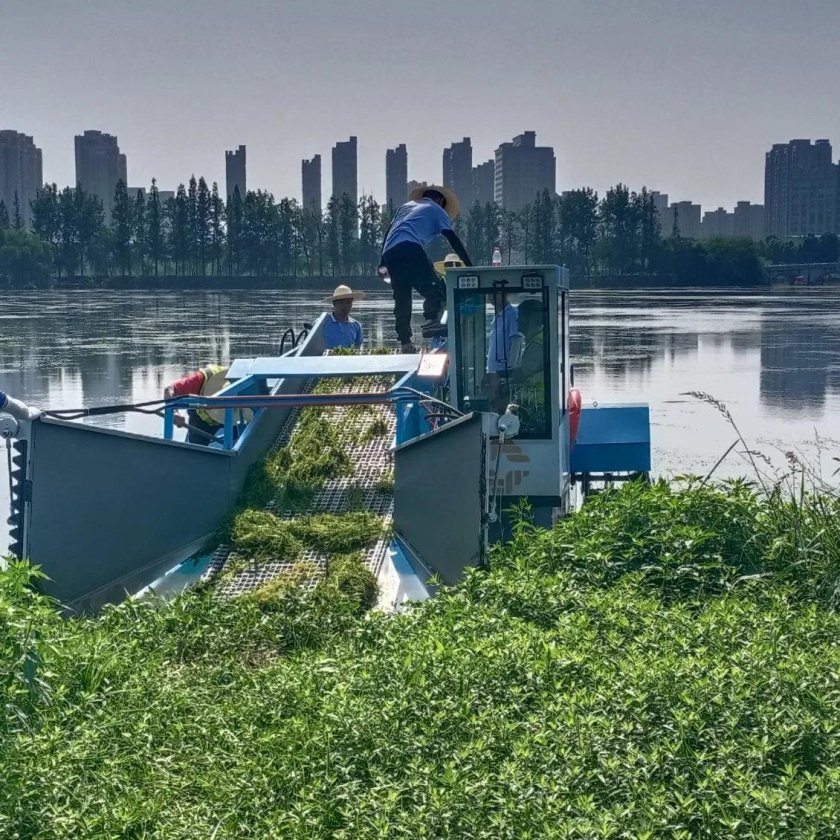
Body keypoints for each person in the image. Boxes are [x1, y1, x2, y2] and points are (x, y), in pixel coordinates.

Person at [379, 186, 472, 352]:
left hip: (390, 252)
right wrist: (470, 266)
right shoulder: (437, 210)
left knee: (402, 300)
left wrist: (382, 261)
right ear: (440, 201)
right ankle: (431, 321)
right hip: (410, 247)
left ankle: (405, 342)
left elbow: (389, 232)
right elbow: (452, 238)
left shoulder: (405, 207)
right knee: (434, 287)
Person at [164, 364, 230, 445]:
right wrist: (175, 413)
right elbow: (169, 390)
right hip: (201, 420)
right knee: (196, 449)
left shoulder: (239, 379)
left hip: (231, 416)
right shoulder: (199, 380)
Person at [322, 284, 365, 350]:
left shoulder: (356, 326)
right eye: (341, 302)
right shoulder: (322, 323)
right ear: (334, 304)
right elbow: (311, 348)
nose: (345, 306)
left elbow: (358, 348)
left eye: (348, 303)